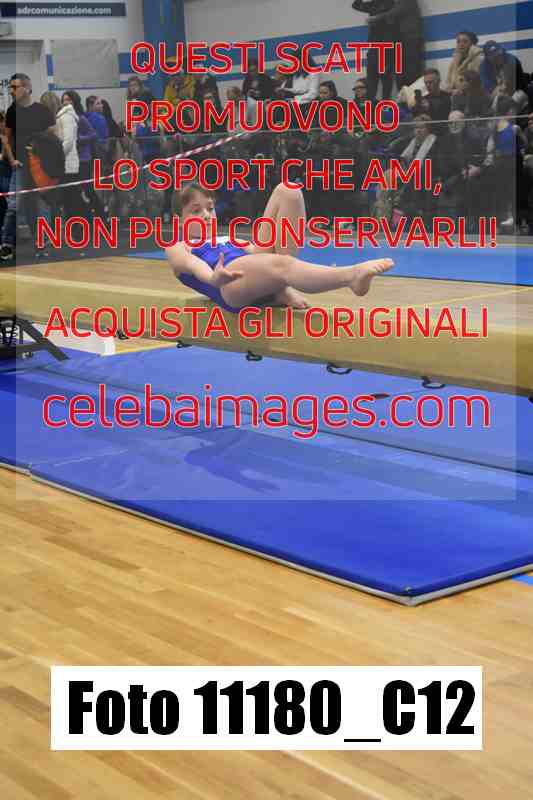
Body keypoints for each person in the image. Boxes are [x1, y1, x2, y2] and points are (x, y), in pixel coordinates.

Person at [166, 182, 394, 313]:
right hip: (229, 288)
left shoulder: (228, 238)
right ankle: (350, 276)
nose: (206, 215)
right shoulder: (179, 246)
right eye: (196, 211)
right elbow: (193, 265)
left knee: (289, 191)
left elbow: (260, 255)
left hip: (250, 273)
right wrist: (214, 278)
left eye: (210, 208)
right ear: (179, 220)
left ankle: (281, 289)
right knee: (280, 264)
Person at [0, 73, 55, 262]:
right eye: (11, 87)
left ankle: (43, 245)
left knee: (40, 207)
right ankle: (7, 245)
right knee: (13, 206)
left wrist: (46, 159)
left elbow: (53, 138)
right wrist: (12, 160)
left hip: (40, 169)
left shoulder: (42, 111)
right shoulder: (12, 111)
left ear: (27, 88)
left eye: (15, 87)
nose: (11, 91)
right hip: (21, 168)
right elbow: (7, 139)